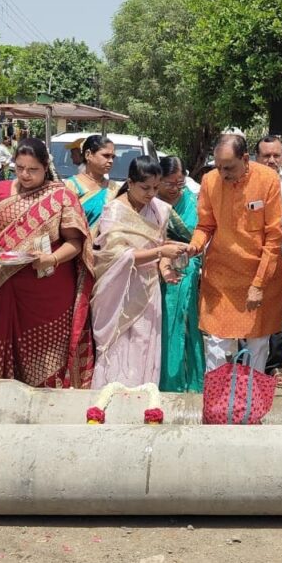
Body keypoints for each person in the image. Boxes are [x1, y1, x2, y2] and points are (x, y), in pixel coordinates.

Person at [0, 139, 96, 417]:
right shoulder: (0, 190)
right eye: (20, 168)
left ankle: (47, 413)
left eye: (33, 170)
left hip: (47, 288)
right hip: (2, 284)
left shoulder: (61, 196)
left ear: (45, 168)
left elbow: (75, 243)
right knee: (2, 340)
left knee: (47, 348)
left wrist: (50, 258)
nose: (25, 175)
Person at [187, 134, 282, 372]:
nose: (223, 174)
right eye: (218, 167)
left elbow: (273, 236)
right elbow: (205, 226)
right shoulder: (210, 181)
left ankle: (252, 403)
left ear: (245, 158)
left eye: (229, 167)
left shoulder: (267, 180)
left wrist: (258, 284)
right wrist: (194, 246)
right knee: (216, 345)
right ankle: (217, 403)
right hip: (221, 277)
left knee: (257, 345)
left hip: (259, 275)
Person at [91, 155, 182, 389]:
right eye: (145, 187)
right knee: (118, 343)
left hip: (148, 288)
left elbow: (157, 247)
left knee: (144, 342)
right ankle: (109, 399)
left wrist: (166, 270)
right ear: (130, 183)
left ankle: (142, 398)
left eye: (155, 187)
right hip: (119, 289)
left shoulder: (159, 210)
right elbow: (118, 256)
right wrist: (162, 253)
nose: (151, 193)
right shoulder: (114, 211)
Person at [157, 156, 206, 392]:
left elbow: (195, 236)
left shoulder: (191, 201)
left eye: (180, 183)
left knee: (182, 317)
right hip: (152, 267)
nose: (176, 188)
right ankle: (161, 379)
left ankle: (187, 382)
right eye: (170, 183)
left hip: (186, 266)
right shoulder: (150, 200)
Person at [257, 135, 282, 385]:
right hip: (254, 259)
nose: (271, 160)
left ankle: (273, 366)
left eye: (276, 155)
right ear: (256, 157)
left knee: (280, 314)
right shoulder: (246, 180)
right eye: (266, 155)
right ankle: (247, 362)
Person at [64, 135, 119, 227]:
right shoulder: (70, 186)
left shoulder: (114, 188)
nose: (111, 161)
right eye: (106, 156)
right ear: (88, 154)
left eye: (113, 157)